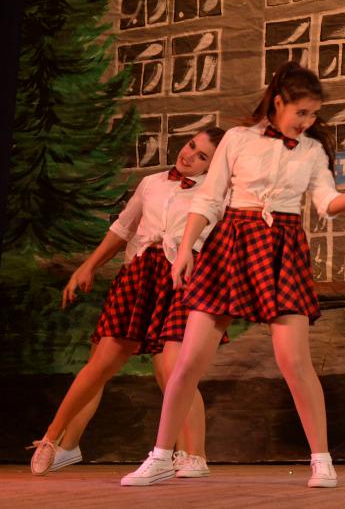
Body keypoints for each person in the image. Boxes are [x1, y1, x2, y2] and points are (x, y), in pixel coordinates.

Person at [120, 62, 345, 488]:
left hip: (282, 247)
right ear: (278, 103)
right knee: (189, 360)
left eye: (313, 114)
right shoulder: (238, 139)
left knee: (294, 361)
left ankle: (322, 461)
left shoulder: (311, 151)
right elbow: (209, 199)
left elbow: (328, 204)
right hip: (232, 242)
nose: (307, 121)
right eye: (301, 112)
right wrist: (185, 251)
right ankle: (162, 456)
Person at [28, 129, 224, 478]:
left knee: (174, 370)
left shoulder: (215, 196)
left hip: (180, 281)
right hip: (140, 276)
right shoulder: (151, 183)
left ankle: (193, 455)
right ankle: (52, 439)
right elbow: (122, 228)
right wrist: (88, 266)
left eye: (202, 156)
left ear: (213, 165)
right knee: (100, 364)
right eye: (191, 145)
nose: (189, 155)